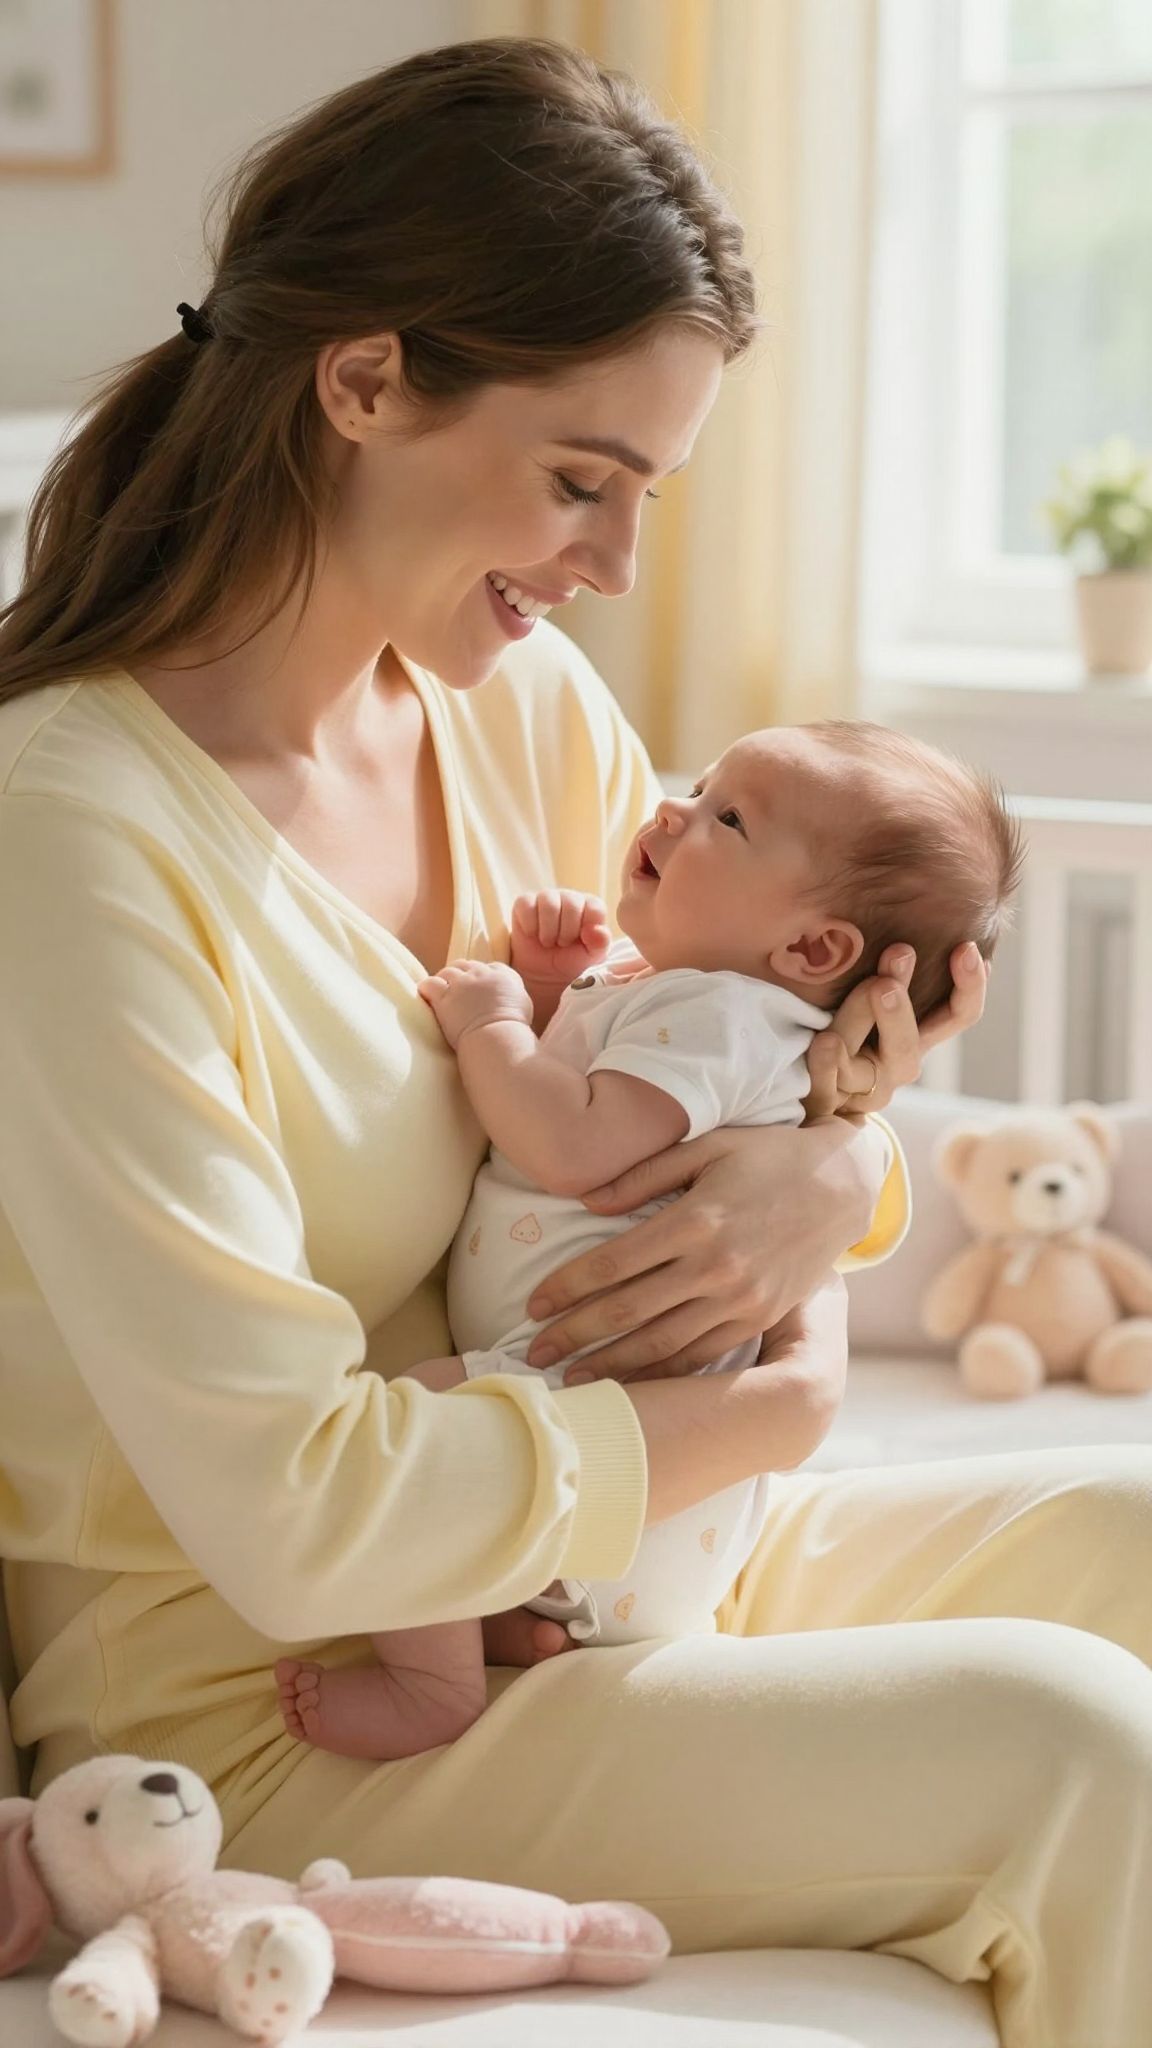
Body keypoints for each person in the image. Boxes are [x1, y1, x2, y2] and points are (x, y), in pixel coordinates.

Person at [0, 37, 1148, 2048]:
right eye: (578, 480)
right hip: (274, 1699)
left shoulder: (512, 707)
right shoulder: (69, 835)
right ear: (364, 382)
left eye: (646, 496)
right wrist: (772, 1408)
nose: (614, 567)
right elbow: (295, 1510)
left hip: (600, 1569)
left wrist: (839, 1165)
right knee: (1069, 1750)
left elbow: (744, 1051)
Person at [278, 720, 1024, 1754]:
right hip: (640, 1461)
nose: (673, 809)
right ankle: (499, 1619)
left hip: (603, 1407)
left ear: (812, 950)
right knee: (443, 1438)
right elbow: (602, 1099)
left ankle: (431, 1684)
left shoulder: (719, 1016)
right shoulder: (684, 990)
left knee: (426, 1420)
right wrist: (557, 989)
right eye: (702, 782)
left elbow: (572, 1142)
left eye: (728, 816)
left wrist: (494, 1023)